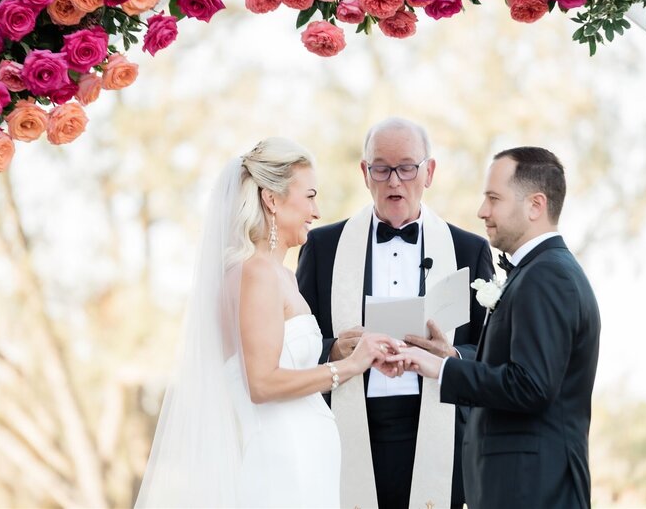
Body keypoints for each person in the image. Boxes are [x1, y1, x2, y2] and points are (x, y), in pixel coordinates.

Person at [135, 138, 399, 508]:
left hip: (306, 461)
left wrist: (338, 349)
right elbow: (261, 383)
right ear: (271, 199)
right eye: (309, 196)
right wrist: (349, 366)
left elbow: (283, 361)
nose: (317, 211)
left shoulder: (279, 275)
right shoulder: (256, 273)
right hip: (283, 464)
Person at [296, 118, 495, 509]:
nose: (393, 181)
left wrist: (451, 357)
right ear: (364, 173)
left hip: (439, 432)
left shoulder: (468, 250)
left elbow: (490, 353)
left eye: (407, 167)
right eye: (381, 168)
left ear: (429, 172)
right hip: (349, 430)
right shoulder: (323, 247)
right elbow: (298, 346)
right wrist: (335, 349)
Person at [389, 147, 601, 508]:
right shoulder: (537, 272)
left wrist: (441, 369)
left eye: (493, 198)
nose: (481, 211)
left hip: (533, 491)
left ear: (535, 205)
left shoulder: (547, 276)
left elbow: (531, 386)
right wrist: (451, 356)